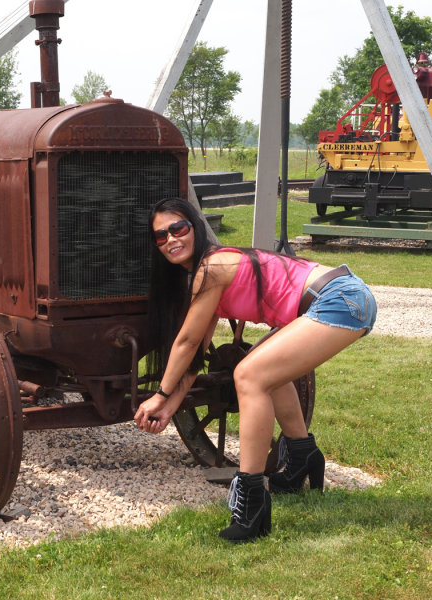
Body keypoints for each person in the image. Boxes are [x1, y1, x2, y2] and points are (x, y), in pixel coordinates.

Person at [133, 197, 376, 543]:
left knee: (248, 374)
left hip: (340, 298)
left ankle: (250, 503)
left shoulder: (212, 267)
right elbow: (196, 353)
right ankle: (301, 459)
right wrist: (171, 405)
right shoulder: (209, 273)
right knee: (265, 370)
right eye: (160, 236)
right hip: (343, 294)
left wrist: (158, 395)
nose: (171, 239)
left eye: (178, 229)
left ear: (195, 229)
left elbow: (185, 342)